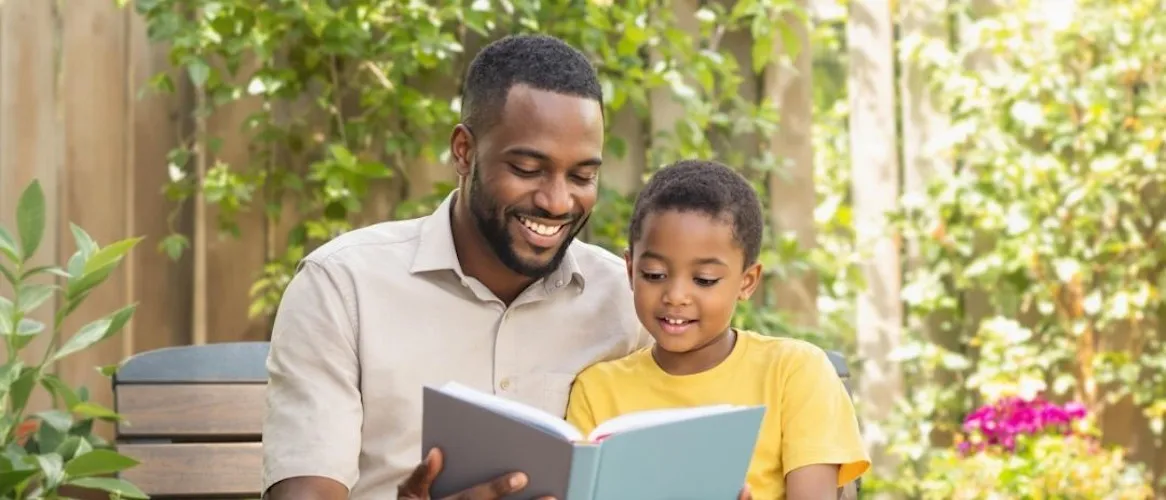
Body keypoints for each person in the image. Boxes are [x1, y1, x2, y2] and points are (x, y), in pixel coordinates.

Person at [260, 34, 650, 499]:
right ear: (464, 151)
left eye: (583, 176)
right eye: (527, 169)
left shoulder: (629, 302)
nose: (558, 201)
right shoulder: (342, 288)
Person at [564, 160, 871, 500]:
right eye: (653, 274)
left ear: (747, 281)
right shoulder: (596, 390)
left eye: (704, 280)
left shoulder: (795, 372)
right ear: (630, 268)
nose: (676, 296)